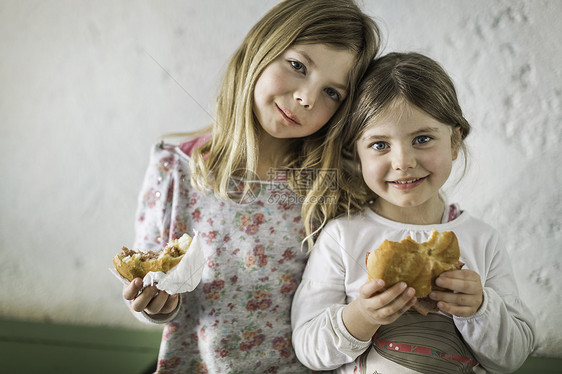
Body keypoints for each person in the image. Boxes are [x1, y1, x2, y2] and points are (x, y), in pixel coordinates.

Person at [121, 1, 380, 373]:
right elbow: (148, 277)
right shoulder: (174, 168)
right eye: (298, 66)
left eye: (332, 93)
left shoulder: (338, 188)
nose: (307, 97)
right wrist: (155, 304)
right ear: (261, 48)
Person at [292, 52, 536, 373]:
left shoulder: (482, 239)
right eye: (380, 145)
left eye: (422, 139)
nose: (403, 161)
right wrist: (362, 317)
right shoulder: (342, 237)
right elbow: (308, 347)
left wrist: (480, 308)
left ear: (454, 142)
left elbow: (514, 355)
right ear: (356, 152)